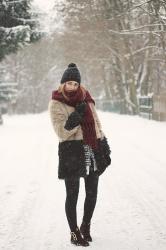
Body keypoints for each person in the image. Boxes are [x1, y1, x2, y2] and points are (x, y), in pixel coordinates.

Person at [48, 63, 111, 247]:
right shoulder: (56, 102)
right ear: (63, 84)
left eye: (75, 83)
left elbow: (97, 122)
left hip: (92, 148)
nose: (72, 87)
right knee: (72, 194)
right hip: (71, 152)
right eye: (69, 83)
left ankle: (85, 226)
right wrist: (77, 114)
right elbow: (62, 132)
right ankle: (74, 233)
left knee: (92, 193)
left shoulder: (87, 97)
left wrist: (103, 142)